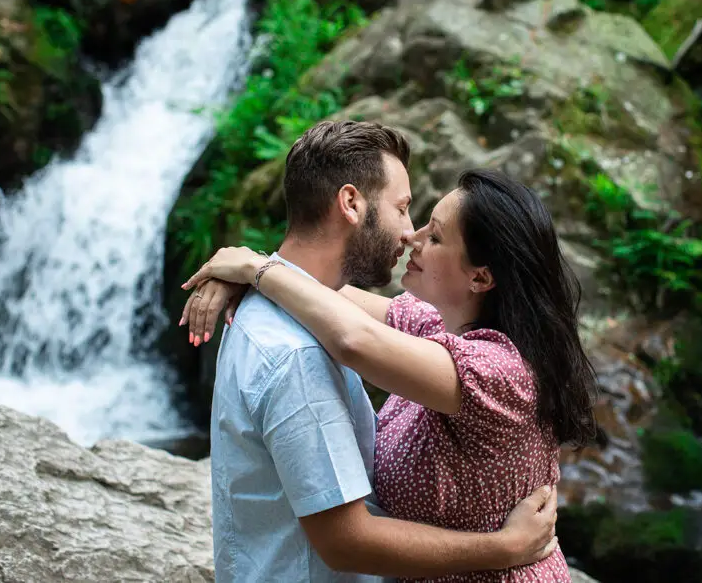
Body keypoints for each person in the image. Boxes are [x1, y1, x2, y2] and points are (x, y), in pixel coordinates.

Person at [184, 156, 598, 579]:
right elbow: (325, 294)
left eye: (434, 236)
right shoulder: (436, 325)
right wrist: (244, 269)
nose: (411, 236)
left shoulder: (499, 372)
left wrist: (257, 269)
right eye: (409, 214)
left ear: (480, 278)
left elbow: (354, 340)